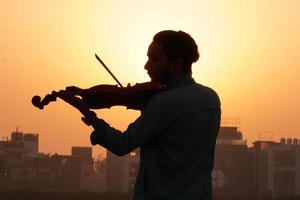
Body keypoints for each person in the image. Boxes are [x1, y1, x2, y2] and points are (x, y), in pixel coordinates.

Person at [58, 30, 221, 200]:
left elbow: (122, 144)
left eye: (154, 59)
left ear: (176, 64)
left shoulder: (163, 103)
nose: (146, 66)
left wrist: (88, 113)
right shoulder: (211, 99)